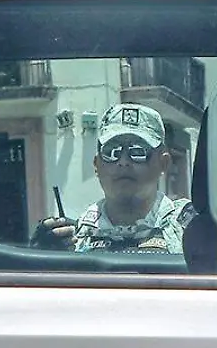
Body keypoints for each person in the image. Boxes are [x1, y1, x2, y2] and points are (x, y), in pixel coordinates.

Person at [31, 103, 196, 254]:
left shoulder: (190, 228)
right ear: (96, 165)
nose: (123, 162)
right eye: (112, 152)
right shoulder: (74, 238)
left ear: (164, 162)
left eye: (137, 151)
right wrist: (44, 255)